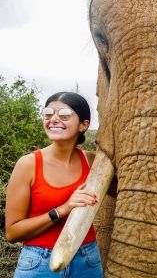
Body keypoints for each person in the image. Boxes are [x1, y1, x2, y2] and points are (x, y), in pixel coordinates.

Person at [5, 91, 103, 277]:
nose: (54, 119)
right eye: (48, 114)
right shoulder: (28, 164)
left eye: (64, 115)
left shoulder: (92, 162)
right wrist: (63, 209)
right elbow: (12, 232)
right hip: (39, 264)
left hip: (87, 260)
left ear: (84, 125)